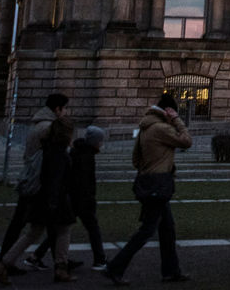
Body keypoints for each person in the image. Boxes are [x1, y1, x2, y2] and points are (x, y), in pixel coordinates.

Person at [102, 93, 193, 285]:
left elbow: (135, 159)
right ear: (169, 112)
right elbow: (186, 141)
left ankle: (171, 271)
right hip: (158, 185)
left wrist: (149, 166)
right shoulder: (161, 128)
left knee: (167, 229)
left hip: (148, 182)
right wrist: (177, 121)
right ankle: (114, 267)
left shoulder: (145, 127)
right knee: (147, 230)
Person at [0, 117, 76, 284]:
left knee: (33, 233)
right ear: (67, 134)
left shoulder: (46, 147)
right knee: (64, 230)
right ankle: (61, 268)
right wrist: (54, 204)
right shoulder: (59, 153)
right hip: (54, 201)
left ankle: (4, 264)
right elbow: (56, 180)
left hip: (39, 198)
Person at [1, 93, 73, 260]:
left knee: (39, 225)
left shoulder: (40, 124)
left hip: (33, 178)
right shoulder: (50, 127)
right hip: (39, 181)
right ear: (57, 109)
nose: (66, 112)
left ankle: (59, 262)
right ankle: (6, 261)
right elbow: (55, 154)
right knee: (39, 226)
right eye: (65, 108)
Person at [31, 126, 106, 273]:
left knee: (61, 230)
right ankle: (100, 260)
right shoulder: (86, 156)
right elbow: (84, 181)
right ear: (95, 142)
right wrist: (90, 199)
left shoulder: (78, 151)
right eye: (100, 141)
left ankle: (36, 256)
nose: (101, 144)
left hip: (73, 198)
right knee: (91, 229)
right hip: (81, 200)